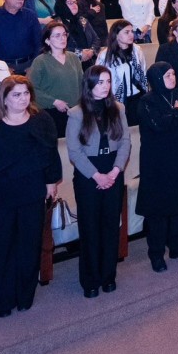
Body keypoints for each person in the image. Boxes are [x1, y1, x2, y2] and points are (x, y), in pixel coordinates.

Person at [0, 75, 62, 317]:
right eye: (16, 95)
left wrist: (52, 181)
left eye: (26, 94)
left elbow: (51, 153)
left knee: (29, 246)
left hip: (32, 193)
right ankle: (2, 300)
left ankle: (24, 296)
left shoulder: (41, 120)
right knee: (0, 248)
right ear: (4, 99)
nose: (23, 99)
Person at [67, 66, 130, 298]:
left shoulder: (118, 108)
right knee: (91, 226)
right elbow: (74, 151)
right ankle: (90, 280)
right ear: (89, 84)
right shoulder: (76, 113)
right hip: (88, 174)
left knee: (111, 225)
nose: (105, 86)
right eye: (100, 82)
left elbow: (125, 142)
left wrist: (115, 171)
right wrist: (97, 176)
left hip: (112, 169)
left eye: (108, 82)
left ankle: (108, 276)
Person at [135, 62, 178, 273]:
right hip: (158, 164)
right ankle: (156, 253)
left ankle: (177, 247)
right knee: (159, 211)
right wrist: (177, 112)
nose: (172, 77)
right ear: (157, 78)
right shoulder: (146, 101)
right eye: (168, 75)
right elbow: (158, 125)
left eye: (173, 73)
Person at [27, 21, 85, 136]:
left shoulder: (73, 58)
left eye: (64, 35)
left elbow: (81, 83)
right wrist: (54, 102)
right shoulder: (40, 61)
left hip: (75, 110)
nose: (62, 38)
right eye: (57, 35)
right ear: (47, 40)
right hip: (52, 112)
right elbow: (32, 88)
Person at [96, 20, 150, 124]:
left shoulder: (137, 50)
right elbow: (98, 80)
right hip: (114, 100)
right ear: (116, 35)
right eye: (126, 32)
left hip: (137, 96)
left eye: (131, 31)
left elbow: (143, 74)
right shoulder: (104, 55)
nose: (131, 35)